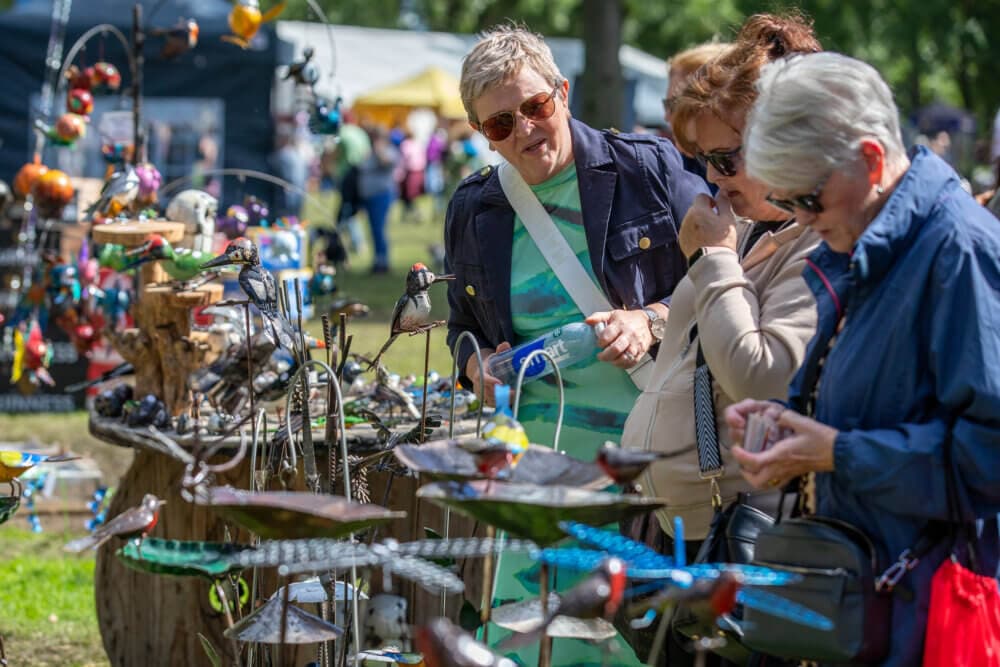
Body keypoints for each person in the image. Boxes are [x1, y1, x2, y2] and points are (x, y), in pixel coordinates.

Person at [724, 52, 1000, 666]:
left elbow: (989, 458)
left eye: (808, 202)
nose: (801, 221)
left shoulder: (959, 253)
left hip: (931, 619)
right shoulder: (865, 239)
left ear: (872, 161)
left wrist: (837, 453)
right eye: (787, 203)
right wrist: (788, 424)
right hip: (868, 607)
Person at [444, 24, 707, 665]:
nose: (525, 130)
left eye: (535, 107)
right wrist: (475, 364)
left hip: (649, 452)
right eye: (500, 124)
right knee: (530, 635)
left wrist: (650, 319)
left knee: (632, 634)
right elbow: (462, 326)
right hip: (537, 463)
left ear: (562, 92)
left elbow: (727, 271)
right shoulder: (474, 207)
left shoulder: (648, 167)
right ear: (483, 134)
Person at [618, 14, 821, 664]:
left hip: (729, 540)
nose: (714, 176)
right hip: (682, 528)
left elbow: (762, 376)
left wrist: (711, 258)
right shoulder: (766, 232)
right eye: (703, 160)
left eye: (726, 158)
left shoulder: (819, 243)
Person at [357, 125, 400, 274]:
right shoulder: (370, 153)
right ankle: (377, 260)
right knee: (374, 230)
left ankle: (383, 262)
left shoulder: (388, 151)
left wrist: (378, 149)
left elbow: (387, 163)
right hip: (370, 196)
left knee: (379, 229)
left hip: (381, 195)